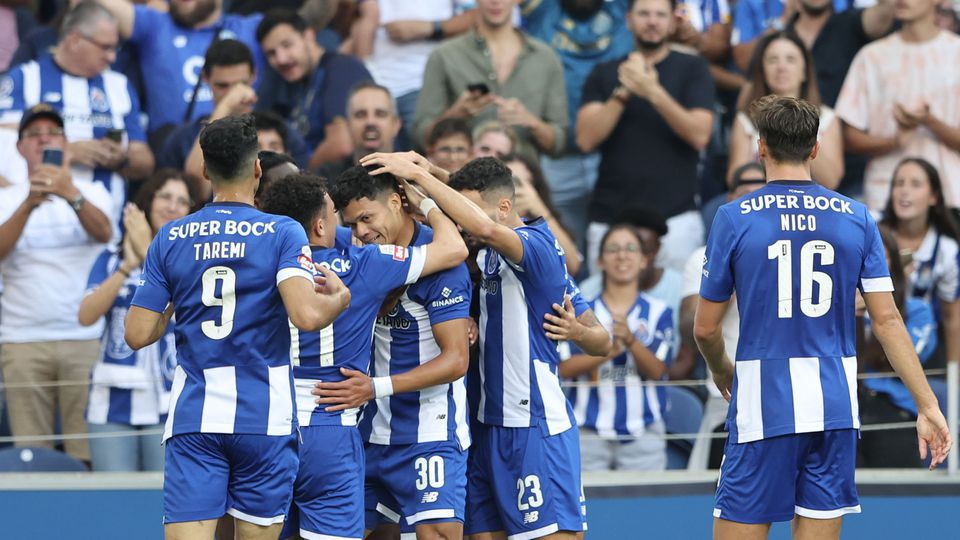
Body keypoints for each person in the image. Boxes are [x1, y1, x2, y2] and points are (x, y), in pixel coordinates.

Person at [695, 95, 950, 539]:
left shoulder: (734, 218)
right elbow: (888, 322)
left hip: (763, 406)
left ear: (761, 148)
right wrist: (928, 405)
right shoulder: (857, 217)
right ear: (815, 149)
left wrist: (722, 369)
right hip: (834, 406)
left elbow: (705, 327)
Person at [359, 152, 611, 540]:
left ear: (505, 207)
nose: (462, 222)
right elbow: (479, 207)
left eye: (469, 212)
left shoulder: (538, 247)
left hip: (533, 426)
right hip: (484, 427)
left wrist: (578, 332)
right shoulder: (488, 255)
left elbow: (603, 339)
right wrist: (432, 171)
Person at [124, 113, 351, 539]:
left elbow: (137, 334)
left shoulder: (172, 237)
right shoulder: (283, 232)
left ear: (206, 169)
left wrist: (180, 294)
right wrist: (341, 299)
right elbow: (306, 316)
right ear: (257, 168)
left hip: (195, 416)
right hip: (262, 417)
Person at [257, 170, 469, 540]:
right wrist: (428, 200)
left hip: (273, 427)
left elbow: (457, 360)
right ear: (323, 224)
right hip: (338, 429)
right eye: (347, 221)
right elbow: (455, 247)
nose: (357, 232)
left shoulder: (261, 267)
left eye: (364, 220)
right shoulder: (363, 264)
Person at [0, 104, 114, 464]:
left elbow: (105, 233)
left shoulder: (92, 190)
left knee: (87, 452)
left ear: (65, 143)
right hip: (22, 341)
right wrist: (28, 205)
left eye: (52, 133)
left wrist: (71, 195)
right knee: (31, 455)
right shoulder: (6, 197)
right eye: (34, 134)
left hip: (83, 339)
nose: (43, 139)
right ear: (20, 148)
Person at [577, 0, 715, 275]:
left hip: (676, 220)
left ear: (673, 21)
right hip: (610, 219)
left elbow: (700, 135)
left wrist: (652, 90)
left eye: (660, 14)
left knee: (679, 313)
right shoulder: (605, 72)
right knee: (600, 315)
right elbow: (585, 139)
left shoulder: (693, 68)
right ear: (629, 19)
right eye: (644, 14)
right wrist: (624, 91)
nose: (652, 21)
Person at [79, 169, 198, 472]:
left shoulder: (195, 259)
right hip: (113, 401)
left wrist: (147, 254)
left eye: (182, 201)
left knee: (161, 502)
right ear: (148, 200)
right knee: (113, 500)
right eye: (166, 197)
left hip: (171, 400)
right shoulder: (111, 256)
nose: (172, 206)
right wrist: (128, 265)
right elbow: (86, 315)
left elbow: (188, 309)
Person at [0, 1, 154, 226]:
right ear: (74, 40)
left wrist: (122, 159)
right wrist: (68, 150)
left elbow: (146, 161)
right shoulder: (24, 78)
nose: (112, 57)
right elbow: (4, 143)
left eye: (115, 48)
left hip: (103, 231)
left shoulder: (119, 85)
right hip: (32, 228)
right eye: (105, 47)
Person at [95, 0, 332, 139]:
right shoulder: (155, 24)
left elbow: (315, 15)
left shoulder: (251, 28)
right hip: (176, 165)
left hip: (245, 155)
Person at [521, 0, 636, 252]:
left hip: (614, 158)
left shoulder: (625, 9)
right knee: (559, 248)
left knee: (616, 250)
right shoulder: (542, 9)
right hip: (555, 159)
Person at [562, 223, 675, 471]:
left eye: (630, 249)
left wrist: (632, 342)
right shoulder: (579, 312)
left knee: (648, 508)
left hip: (644, 433)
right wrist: (608, 349)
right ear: (600, 261)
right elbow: (564, 367)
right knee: (587, 508)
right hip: (587, 431)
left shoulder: (659, 312)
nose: (622, 255)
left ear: (644, 260)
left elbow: (659, 372)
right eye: (613, 249)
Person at [678, 164, 766, 470]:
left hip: (780, 393)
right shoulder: (703, 254)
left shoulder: (788, 251)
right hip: (724, 398)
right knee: (713, 495)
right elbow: (691, 331)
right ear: (730, 200)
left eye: (761, 197)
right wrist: (723, 285)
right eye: (746, 198)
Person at [835, 0, 960, 212]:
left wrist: (930, 122)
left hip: (951, 199)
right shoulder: (871, 56)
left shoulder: (956, 53)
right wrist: (894, 142)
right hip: (885, 199)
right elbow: (847, 136)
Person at [414, 0, 569, 160]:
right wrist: (455, 115)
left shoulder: (545, 58)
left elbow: (558, 143)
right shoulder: (444, 55)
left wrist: (532, 122)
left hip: (523, 178)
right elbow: (421, 137)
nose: (495, 2)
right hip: (463, 177)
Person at [857, 223, 943, 468]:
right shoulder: (831, 308)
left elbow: (900, 358)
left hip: (894, 410)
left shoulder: (917, 310)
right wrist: (850, 316)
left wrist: (878, 315)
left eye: (880, 258)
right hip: (845, 412)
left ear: (893, 264)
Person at [344, 0, 476, 150]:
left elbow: (476, 16)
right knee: (368, 157)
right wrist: (367, 69)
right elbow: (364, 17)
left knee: (422, 153)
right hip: (376, 80)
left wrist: (430, 28)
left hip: (421, 83)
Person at [256, 9, 373, 170]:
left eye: (287, 45)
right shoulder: (284, 81)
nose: (281, 59)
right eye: (271, 53)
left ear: (309, 36)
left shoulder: (342, 69)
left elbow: (340, 145)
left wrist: (299, 177)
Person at [727, 31, 844, 189]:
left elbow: (831, 182)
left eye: (791, 59)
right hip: (764, 206)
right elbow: (735, 180)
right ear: (762, 71)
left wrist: (803, 129)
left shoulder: (827, 118)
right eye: (772, 60)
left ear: (804, 71)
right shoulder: (746, 119)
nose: (781, 67)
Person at [879, 158, 960, 367]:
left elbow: (952, 318)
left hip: (922, 344)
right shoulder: (870, 227)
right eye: (899, 183)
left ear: (934, 196)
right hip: (870, 334)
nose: (904, 191)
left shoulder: (946, 249)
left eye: (915, 184)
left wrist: (954, 378)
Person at [506, 153, 583, 276]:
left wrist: (540, 209)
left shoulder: (543, 221)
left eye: (525, 183)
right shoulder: (490, 219)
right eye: (511, 183)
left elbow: (573, 265)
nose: (519, 191)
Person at [317, 81, 402, 181]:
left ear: (396, 125)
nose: (370, 122)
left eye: (380, 114)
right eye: (361, 114)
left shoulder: (414, 176)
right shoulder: (327, 178)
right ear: (348, 125)